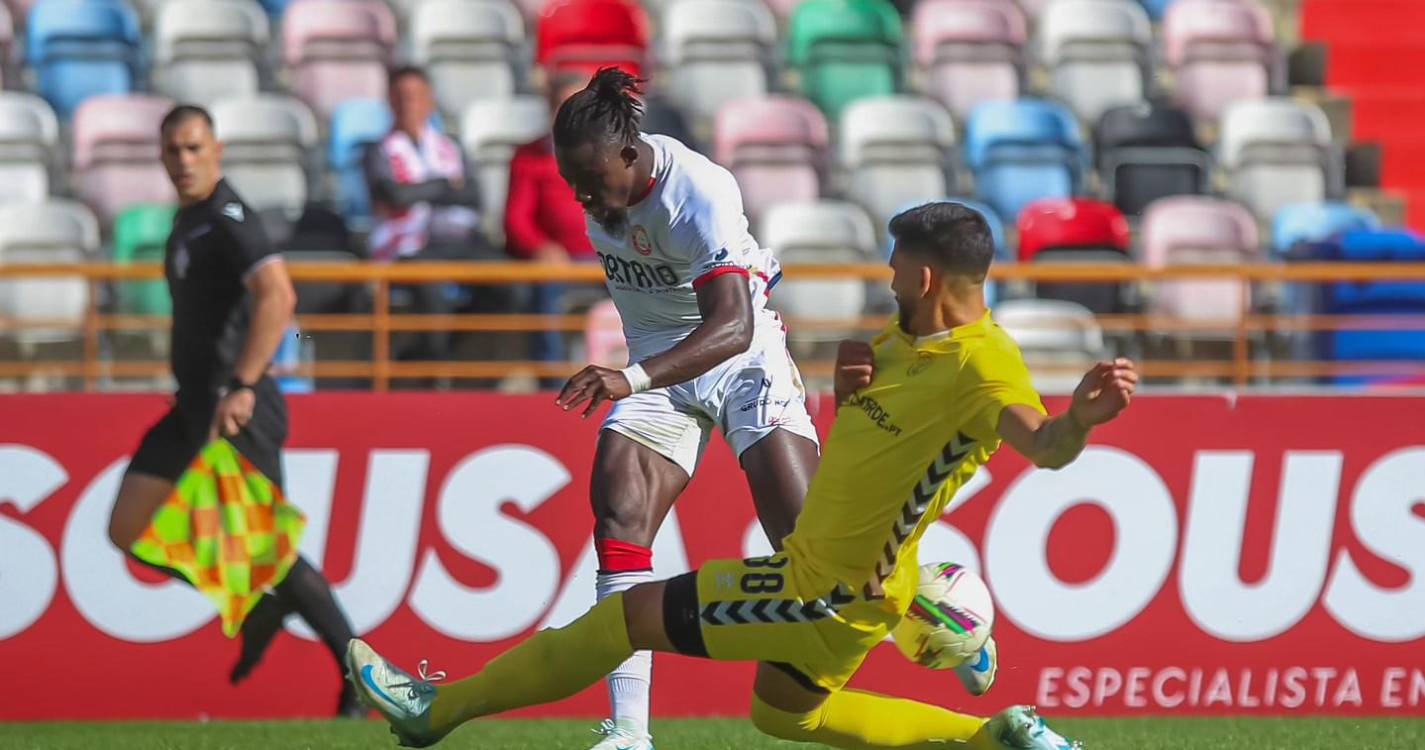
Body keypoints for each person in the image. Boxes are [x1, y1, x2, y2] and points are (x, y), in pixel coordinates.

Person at [347, 201, 1140, 749]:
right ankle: (991, 736)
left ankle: (433, 713)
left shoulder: (985, 367)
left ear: (926, 279)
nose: (889, 278)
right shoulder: (903, 340)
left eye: (897, 268)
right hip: (866, 590)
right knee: (783, 719)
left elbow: (1042, 445)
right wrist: (850, 394)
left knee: (623, 620)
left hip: (817, 588)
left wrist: (1078, 420)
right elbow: (883, 453)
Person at [522, 68, 829, 750]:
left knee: (816, 554)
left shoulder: (700, 189)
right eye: (570, 178)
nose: (579, 194)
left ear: (629, 154)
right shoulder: (602, 178)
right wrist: (639, 378)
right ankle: (628, 733)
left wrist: (629, 378)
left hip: (739, 358)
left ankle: (934, 601)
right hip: (656, 366)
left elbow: (733, 327)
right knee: (618, 514)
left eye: (589, 178)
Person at [106, 105, 363, 717]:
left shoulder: (227, 215)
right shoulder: (189, 220)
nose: (183, 161)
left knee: (272, 550)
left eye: (193, 148)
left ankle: (358, 677)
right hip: (193, 406)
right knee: (127, 529)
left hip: (237, 407)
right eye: (173, 150)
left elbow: (279, 294)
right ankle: (256, 605)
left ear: (215, 150)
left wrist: (244, 383)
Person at [364, 65, 488, 362]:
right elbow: (392, 195)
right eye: (401, 97)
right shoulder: (377, 151)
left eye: (416, 96)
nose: (409, 103)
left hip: (456, 241)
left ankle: (465, 364)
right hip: (408, 246)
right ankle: (431, 367)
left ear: (429, 101)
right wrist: (445, 185)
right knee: (431, 291)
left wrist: (419, 191)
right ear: (390, 102)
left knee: (510, 286)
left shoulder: (450, 146)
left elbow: (474, 196)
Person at [505, 73, 597, 377]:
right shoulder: (529, 156)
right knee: (545, 291)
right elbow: (516, 219)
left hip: (610, 258)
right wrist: (540, 247)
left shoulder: (614, 156)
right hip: (560, 262)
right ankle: (551, 385)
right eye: (563, 105)